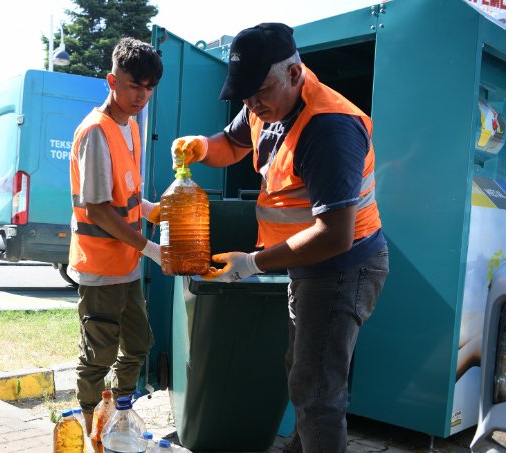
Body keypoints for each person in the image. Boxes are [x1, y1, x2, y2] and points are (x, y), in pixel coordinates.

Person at [172, 23, 389, 452]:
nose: (253, 104)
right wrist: (201, 145)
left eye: (261, 92)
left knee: (317, 390)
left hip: (342, 268)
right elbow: (231, 145)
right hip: (307, 265)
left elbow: (335, 236)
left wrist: (251, 263)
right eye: (245, 95)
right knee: (305, 376)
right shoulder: (264, 102)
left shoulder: (329, 128)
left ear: (294, 74)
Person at [67, 36, 163, 437]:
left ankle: (119, 414)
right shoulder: (95, 132)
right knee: (98, 356)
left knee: (139, 344)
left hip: (126, 266)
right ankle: (91, 428)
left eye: (148, 87)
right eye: (133, 85)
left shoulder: (131, 126)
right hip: (100, 267)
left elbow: (127, 198)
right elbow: (98, 209)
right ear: (112, 80)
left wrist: (154, 210)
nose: (141, 95)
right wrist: (152, 248)